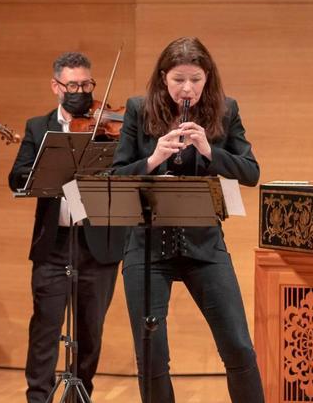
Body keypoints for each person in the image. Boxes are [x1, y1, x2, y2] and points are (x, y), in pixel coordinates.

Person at [112, 37, 264, 402]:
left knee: (239, 348)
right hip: (147, 246)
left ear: (207, 77)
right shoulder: (138, 109)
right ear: (164, 78)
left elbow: (251, 172)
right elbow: (115, 177)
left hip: (204, 244)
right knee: (152, 357)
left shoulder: (225, 110)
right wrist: (152, 159)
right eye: (179, 79)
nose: (187, 88)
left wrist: (210, 150)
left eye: (196, 79)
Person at [7, 51, 124, 403]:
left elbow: (127, 170)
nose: (81, 92)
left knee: (90, 333)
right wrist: (52, 170)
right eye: (73, 85)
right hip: (54, 245)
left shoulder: (108, 128)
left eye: (87, 84)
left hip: (98, 244)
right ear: (56, 87)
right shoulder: (38, 127)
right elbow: (17, 177)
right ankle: (37, 398)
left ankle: (79, 397)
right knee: (44, 328)